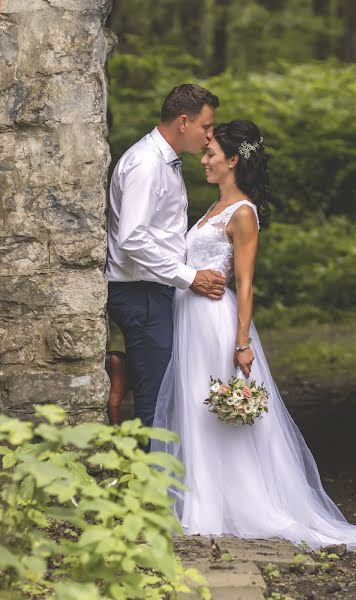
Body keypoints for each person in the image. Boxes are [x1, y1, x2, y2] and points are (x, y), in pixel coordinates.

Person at [153, 120, 356, 551]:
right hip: (191, 318)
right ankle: (200, 501)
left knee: (217, 408)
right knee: (193, 403)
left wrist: (241, 343)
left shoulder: (242, 213)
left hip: (215, 323)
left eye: (211, 155)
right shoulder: (212, 208)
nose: (203, 160)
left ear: (233, 160)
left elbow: (245, 283)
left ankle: (232, 503)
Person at [106, 84, 225, 429]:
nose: (209, 136)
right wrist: (190, 277)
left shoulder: (163, 162)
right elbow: (132, 239)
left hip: (154, 289)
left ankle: (125, 370)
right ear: (184, 122)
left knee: (164, 384)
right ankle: (148, 481)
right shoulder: (146, 165)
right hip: (140, 292)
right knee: (156, 395)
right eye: (206, 127)